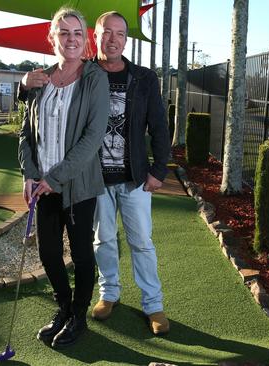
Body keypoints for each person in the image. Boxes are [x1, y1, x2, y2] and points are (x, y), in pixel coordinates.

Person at [17, 7, 109, 348]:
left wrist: (57, 177)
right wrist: (29, 174)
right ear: (52, 38)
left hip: (77, 184)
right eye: (63, 32)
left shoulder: (94, 78)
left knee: (82, 254)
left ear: (84, 39)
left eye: (76, 33)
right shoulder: (39, 80)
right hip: (42, 186)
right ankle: (65, 308)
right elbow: (26, 133)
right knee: (49, 255)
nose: (70, 39)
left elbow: (94, 135)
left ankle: (78, 316)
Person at [90, 11, 171, 335]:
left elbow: (160, 127)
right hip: (96, 179)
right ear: (96, 36)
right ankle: (109, 294)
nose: (113, 39)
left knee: (141, 243)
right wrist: (26, 84)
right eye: (106, 32)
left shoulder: (144, 78)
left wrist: (158, 170)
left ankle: (153, 304)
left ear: (126, 39)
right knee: (103, 239)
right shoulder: (84, 74)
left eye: (120, 33)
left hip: (135, 178)